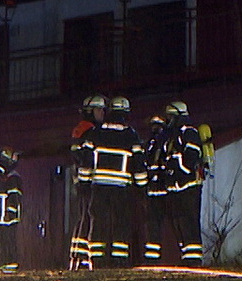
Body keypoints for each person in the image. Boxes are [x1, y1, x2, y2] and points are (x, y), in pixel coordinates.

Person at [77, 95, 146, 267]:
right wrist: (142, 189)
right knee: (121, 224)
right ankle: (119, 261)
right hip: (121, 189)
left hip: (98, 188)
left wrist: (83, 184)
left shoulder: (95, 133)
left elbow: (86, 163)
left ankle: (98, 261)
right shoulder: (131, 136)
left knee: (98, 223)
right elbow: (138, 166)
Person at [148, 101, 208, 265]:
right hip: (176, 189)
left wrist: (177, 169)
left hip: (189, 187)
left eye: (170, 117)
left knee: (189, 223)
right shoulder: (171, 137)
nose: (168, 120)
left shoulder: (189, 132)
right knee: (179, 224)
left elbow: (191, 157)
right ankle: (187, 259)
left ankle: (194, 261)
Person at [68, 94, 108, 268]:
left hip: (83, 180)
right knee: (88, 217)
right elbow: (83, 157)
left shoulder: (82, 129)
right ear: (91, 111)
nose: (102, 114)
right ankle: (84, 259)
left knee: (83, 217)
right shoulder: (88, 130)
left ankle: (78, 257)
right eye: (100, 110)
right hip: (87, 182)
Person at [139, 114, 171, 263]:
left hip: (160, 190)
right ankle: (152, 258)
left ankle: (153, 258)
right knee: (153, 226)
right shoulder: (152, 143)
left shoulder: (160, 143)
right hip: (157, 190)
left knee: (157, 225)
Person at [0, 148, 22, 273]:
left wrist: (10, 213)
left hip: (7, 218)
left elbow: (13, 197)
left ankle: (9, 269)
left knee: (8, 244)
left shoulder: (12, 177)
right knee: (0, 245)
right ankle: (3, 268)